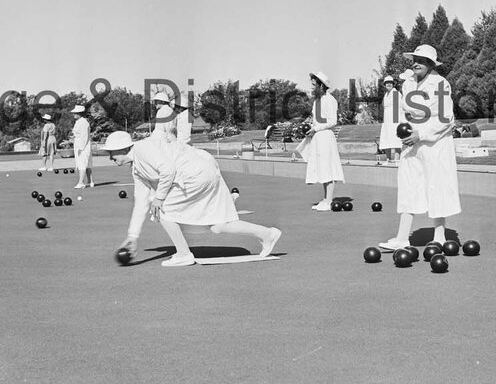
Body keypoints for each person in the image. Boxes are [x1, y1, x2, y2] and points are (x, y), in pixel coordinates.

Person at [102, 131, 282, 267]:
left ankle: (183, 254)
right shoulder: (137, 170)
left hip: (195, 175)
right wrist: (132, 236)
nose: (110, 157)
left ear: (124, 148)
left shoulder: (141, 149)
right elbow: (140, 203)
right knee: (219, 225)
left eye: (112, 153)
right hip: (207, 172)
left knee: (162, 208)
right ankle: (268, 234)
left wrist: (159, 198)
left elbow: (167, 170)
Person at [378, 45, 462, 251]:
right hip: (411, 141)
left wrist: (421, 134)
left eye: (421, 60)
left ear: (431, 64)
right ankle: (402, 237)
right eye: (414, 59)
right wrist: (407, 131)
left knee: (437, 184)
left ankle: (440, 235)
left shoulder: (441, 83)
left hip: (435, 142)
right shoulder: (407, 84)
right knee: (408, 184)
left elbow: (446, 119)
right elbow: (405, 111)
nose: (416, 63)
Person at [295, 71, 345, 211]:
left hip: (325, 137)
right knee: (322, 168)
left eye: (314, 84)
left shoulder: (330, 100)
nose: (312, 87)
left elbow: (332, 121)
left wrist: (316, 129)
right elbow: (316, 120)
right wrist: (311, 128)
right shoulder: (317, 101)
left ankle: (329, 201)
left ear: (321, 85)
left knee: (327, 167)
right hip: (317, 137)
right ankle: (325, 199)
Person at [377, 75, 403, 163]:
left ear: (393, 84)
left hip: (394, 119)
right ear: (384, 84)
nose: (389, 84)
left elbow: (399, 108)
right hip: (387, 119)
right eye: (387, 83)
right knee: (386, 137)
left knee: (395, 138)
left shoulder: (396, 93)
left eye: (390, 83)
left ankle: (397, 159)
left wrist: (396, 122)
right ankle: (388, 159)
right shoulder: (386, 95)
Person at [70, 104, 95, 188]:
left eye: (75, 113)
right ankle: (90, 181)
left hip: (83, 145)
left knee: (82, 163)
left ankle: (81, 182)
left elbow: (84, 136)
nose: (73, 114)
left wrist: (81, 147)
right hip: (79, 144)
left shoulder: (83, 122)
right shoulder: (79, 122)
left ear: (79, 113)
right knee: (86, 163)